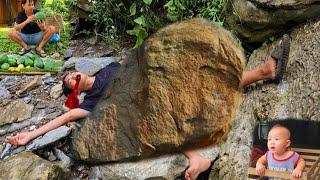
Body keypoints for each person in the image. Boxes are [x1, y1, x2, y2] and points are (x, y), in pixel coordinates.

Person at [7, 34, 290, 180]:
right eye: (69, 83)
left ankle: (266, 71)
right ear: (76, 92)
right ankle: (196, 158)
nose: (71, 77)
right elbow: (66, 117)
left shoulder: (109, 67)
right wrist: (29, 135)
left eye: (70, 75)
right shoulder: (91, 102)